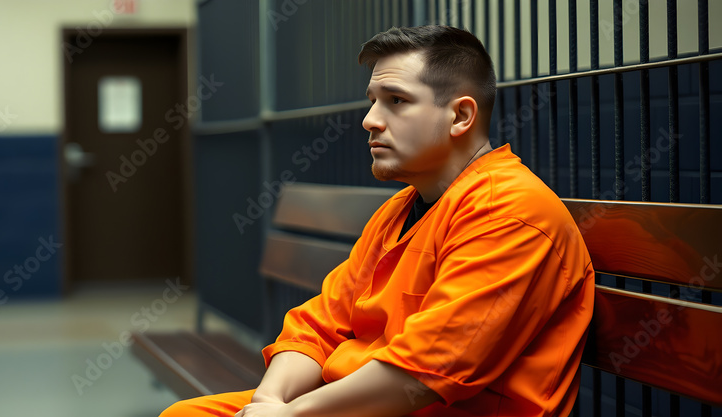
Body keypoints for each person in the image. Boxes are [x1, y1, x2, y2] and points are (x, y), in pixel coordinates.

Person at [161, 25, 595, 417]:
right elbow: (320, 323)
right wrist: (269, 401)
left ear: (461, 116)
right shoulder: (403, 208)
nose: (369, 120)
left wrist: (292, 415)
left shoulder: (512, 212)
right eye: (373, 101)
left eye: (397, 101)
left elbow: (425, 372)